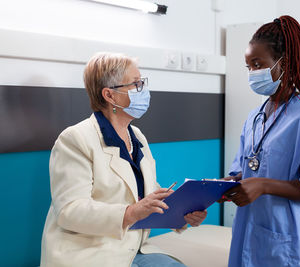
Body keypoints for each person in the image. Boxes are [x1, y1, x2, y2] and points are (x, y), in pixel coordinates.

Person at [40, 52, 207, 267]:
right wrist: (130, 212)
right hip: (90, 253)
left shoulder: (136, 136)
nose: (143, 91)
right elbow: (70, 211)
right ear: (110, 96)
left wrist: (181, 214)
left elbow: (146, 195)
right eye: (136, 85)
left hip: (132, 249)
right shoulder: (75, 139)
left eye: (142, 83)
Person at [222, 16, 300, 267]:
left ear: (283, 63)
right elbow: (246, 169)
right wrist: (224, 185)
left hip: (291, 241)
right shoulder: (255, 117)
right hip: (250, 232)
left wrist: (263, 185)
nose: (252, 73)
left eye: (257, 64)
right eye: (248, 67)